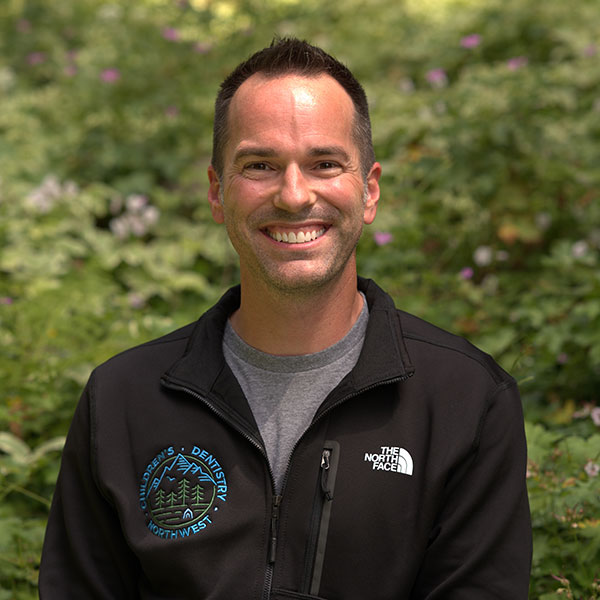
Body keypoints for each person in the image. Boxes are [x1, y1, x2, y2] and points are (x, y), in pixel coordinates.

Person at [39, 37, 532, 599]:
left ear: (368, 191)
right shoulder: (124, 400)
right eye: (260, 165)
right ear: (217, 192)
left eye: (324, 163)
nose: (294, 195)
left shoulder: (467, 401)